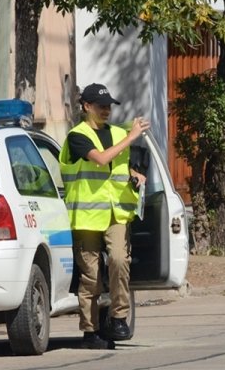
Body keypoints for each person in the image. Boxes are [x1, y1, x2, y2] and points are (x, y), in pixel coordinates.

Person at [59, 83, 150, 350]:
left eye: (109, 106)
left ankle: (118, 318)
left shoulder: (119, 133)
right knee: (91, 277)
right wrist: (132, 136)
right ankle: (90, 332)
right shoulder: (78, 135)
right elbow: (100, 160)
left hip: (117, 212)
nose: (107, 110)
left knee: (120, 261)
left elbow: (124, 166)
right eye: (101, 106)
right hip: (86, 216)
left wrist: (136, 175)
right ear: (86, 107)